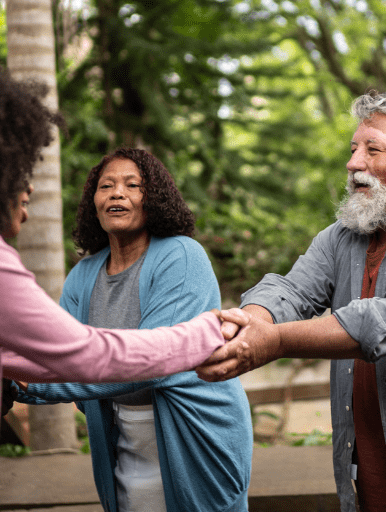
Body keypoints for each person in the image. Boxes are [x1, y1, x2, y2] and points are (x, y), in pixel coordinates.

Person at [0, 53, 228, 512]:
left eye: (133, 185)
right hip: (111, 436)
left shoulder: (179, 254)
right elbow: (78, 354)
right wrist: (209, 331)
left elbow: (35, 357)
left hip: (182, 436)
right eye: (20, 168)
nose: (30, 188)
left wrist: (20, 382)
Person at [199, 91, 386, 511]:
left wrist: (272, 341)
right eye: (353, 149)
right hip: (367, 483)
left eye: (371, 149)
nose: (353, 163)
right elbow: (290, 290)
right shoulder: (343, 235)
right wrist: (248, 322)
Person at [14, 148, 253, 512]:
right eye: (105, 185)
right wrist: (19, 375)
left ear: (153, 197)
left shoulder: (182, 256)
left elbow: (154, 364)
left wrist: (35, 383)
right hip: (121, 437)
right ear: (94, 202)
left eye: (132, 185)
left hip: (195, 437)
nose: (116, 193)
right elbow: (56, 349)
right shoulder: (82, 275)